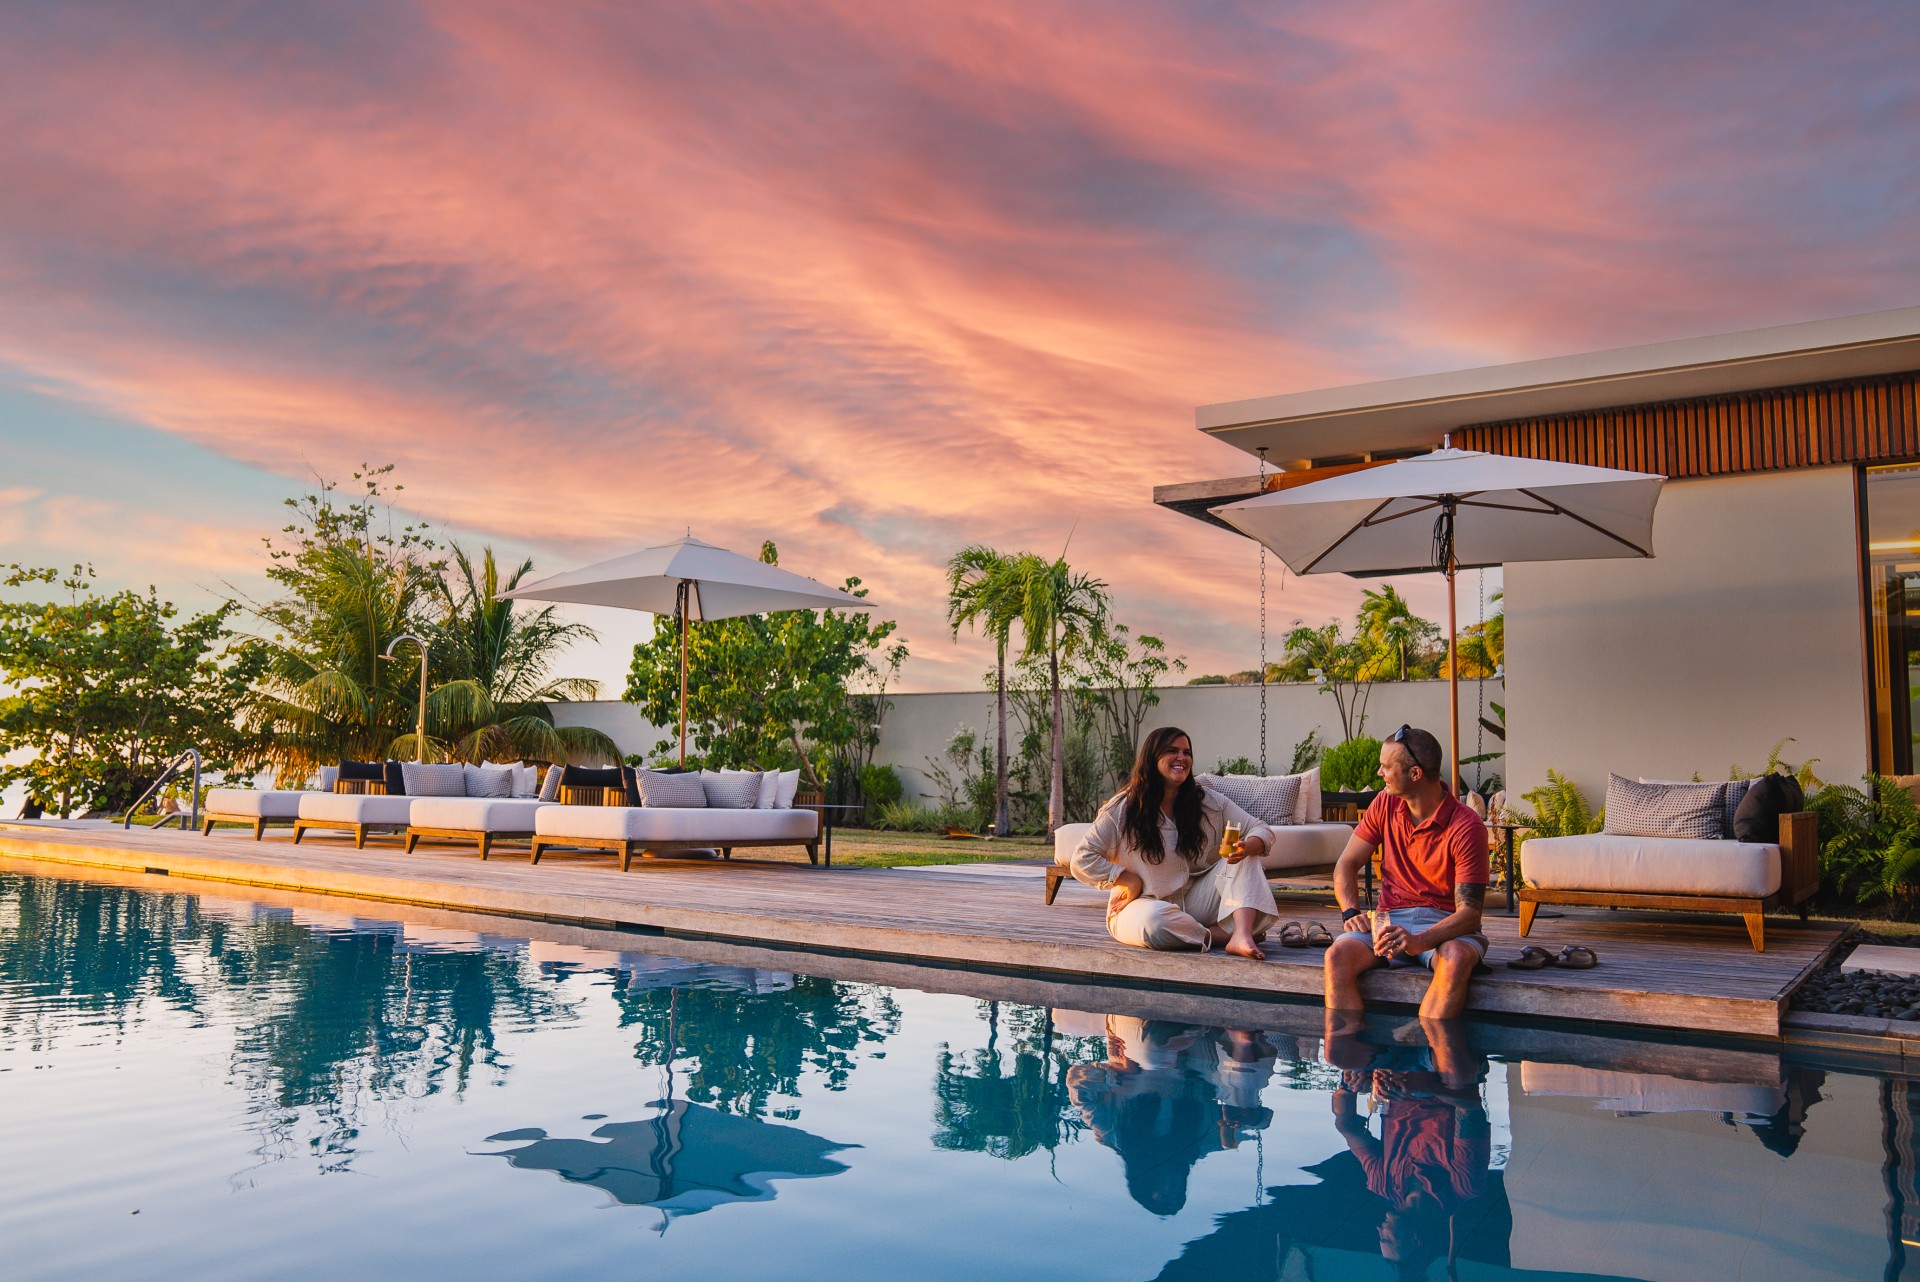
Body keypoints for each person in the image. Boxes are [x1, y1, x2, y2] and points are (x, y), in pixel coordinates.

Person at [1069, 726, 1280, 959]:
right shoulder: (1122, 809)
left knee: (1246, 856)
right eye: (1172, 751)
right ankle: (1221, 936)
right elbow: (1082, 859)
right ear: (1152, 757)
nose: (1182, 758)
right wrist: (1127, 879)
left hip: (1195, 900)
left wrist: (1247, 846)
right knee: (1155, 923)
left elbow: (1260, 828)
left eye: (1187, 752)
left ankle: (1240, 934)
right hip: (1142, 905)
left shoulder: (1207, 802)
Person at [1324, 725, 1489, 1019]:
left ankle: (1430, 1054)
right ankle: (1353, 1054)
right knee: (1337, 956)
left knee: (1456, 957)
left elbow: (1470, 915)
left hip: (1446, 925)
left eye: (1386, 767)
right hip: (1390, 921)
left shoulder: (1466, 826)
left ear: (1415, 774)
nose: (1379, 773)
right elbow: (1346, 865)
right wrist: (1351, 913)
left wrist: (1421, 941)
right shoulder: (1385, 804)